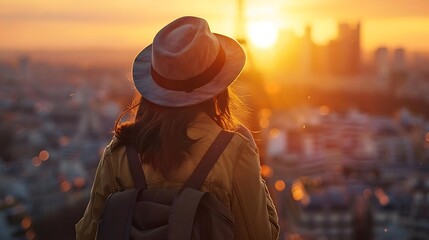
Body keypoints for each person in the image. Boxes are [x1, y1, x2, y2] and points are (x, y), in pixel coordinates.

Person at [75, 16, 279, 240]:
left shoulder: (119, 153)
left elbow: (88, 233)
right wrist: (252, 163)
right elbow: (261, 235)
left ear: (154, 87)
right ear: (219, 88)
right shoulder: (234, 153)